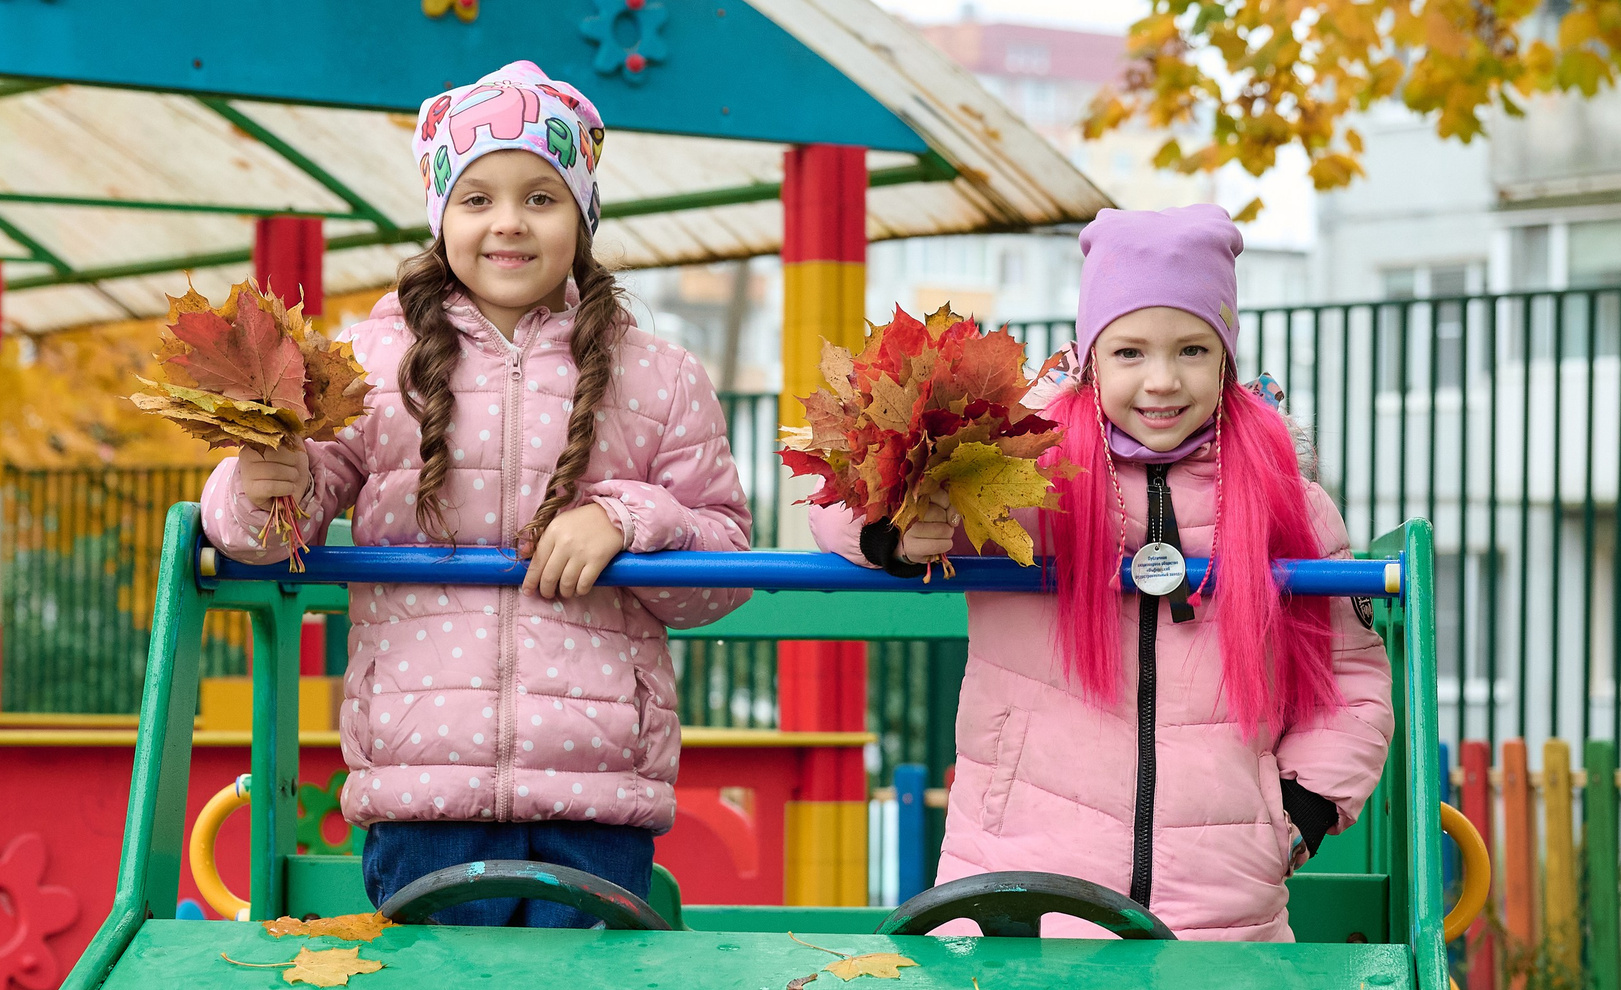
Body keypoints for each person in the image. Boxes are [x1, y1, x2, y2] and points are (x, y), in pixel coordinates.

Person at [203, 61, 750, 926]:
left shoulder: (659, 376)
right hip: (424, 784)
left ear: (582, 215)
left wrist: (627, 521)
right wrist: (260, 484)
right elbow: (269, 535)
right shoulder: (369, 369)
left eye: (541, 196)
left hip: (595, 789)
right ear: (441, 216)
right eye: (478, 198)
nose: (509, 223)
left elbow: (724, 568)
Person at [815, 206, 1393, 939]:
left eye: (1191, 349)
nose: (1162, 381)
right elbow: (839, 507)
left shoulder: (1285, 498)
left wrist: (1295, 814)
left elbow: (1349, 682)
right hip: (1019, 894)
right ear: (1091, 355)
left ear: (1226, 359)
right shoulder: (1024, 473)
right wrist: (896, 529)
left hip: (1220, 911)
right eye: (1129, 353)